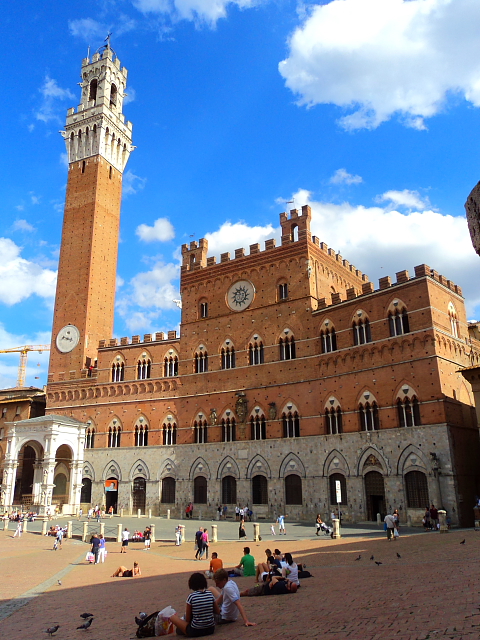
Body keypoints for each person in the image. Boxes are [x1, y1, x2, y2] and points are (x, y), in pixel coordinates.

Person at [170, 572, 219, 637]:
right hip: (210, 629)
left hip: (196, 630)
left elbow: (188, 619)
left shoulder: (192, 597)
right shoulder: (210, 594)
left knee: (172, 618)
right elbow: (217, 611)